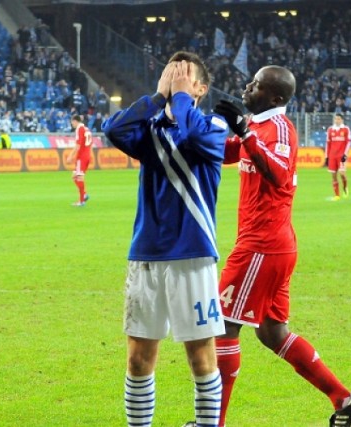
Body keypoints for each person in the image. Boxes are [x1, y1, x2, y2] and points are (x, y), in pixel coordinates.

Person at [209, 66, 351, 427]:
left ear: (275, 97)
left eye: (256, 85)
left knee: (223, 328)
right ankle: (345, 400)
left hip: (261, 245)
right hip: (272, 244)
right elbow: (228, 151)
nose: (247, 87)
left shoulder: (279, 127)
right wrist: (193, 135)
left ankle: (213, 423)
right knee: (271, 333)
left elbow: (278, 173)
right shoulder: (258, 125)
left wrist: (245, 130)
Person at [102, 51, 229, 427]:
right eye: (169, 72)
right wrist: (158, 98)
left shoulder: (214, 125)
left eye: (184, 74)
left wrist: (181, 98)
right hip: (146, 255)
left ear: (201, 88)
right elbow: (113, 131)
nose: (174, 76)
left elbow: (190, 133)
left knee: (200, 357)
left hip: (193, 254)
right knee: (138, 358)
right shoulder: (148, 131)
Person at [66, 114, 92, 207]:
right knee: (74, 176)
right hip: (87, 155)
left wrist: (70, 156)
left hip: (82, 157)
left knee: (79, 178)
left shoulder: (79, 129)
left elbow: (78, 145)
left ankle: (81, 201)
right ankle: (84, 195)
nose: (71, 124)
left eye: (72, 122)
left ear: (75, 121)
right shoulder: (86, 129)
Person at [324, 113, 351, 201]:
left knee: (342, 174)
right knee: (334, 176)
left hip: (342, 156)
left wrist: (345, 154)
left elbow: (348, 142)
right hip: (332, 155)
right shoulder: (330, 130)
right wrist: (327, 156)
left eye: (339, 119)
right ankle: (337, 195)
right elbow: (328, 143)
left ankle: (345, 188)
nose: (337, 120)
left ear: (342, 120)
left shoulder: (346, 129)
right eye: (336, 119)